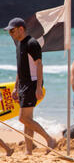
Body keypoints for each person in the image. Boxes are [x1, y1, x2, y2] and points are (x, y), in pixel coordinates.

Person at [4, 17, 56, 155]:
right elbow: (20, 68)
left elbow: (39, 64)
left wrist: (39, 87)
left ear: (21, 29)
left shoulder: (32, 43)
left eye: (12, 31)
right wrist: (16, 86)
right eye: (9, 32)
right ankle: (28, 151)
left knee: (23, 118)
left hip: (32, 84)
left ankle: (49, 139)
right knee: (28, 120)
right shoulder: (19, 44)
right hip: (23, 84)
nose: (11, 34)